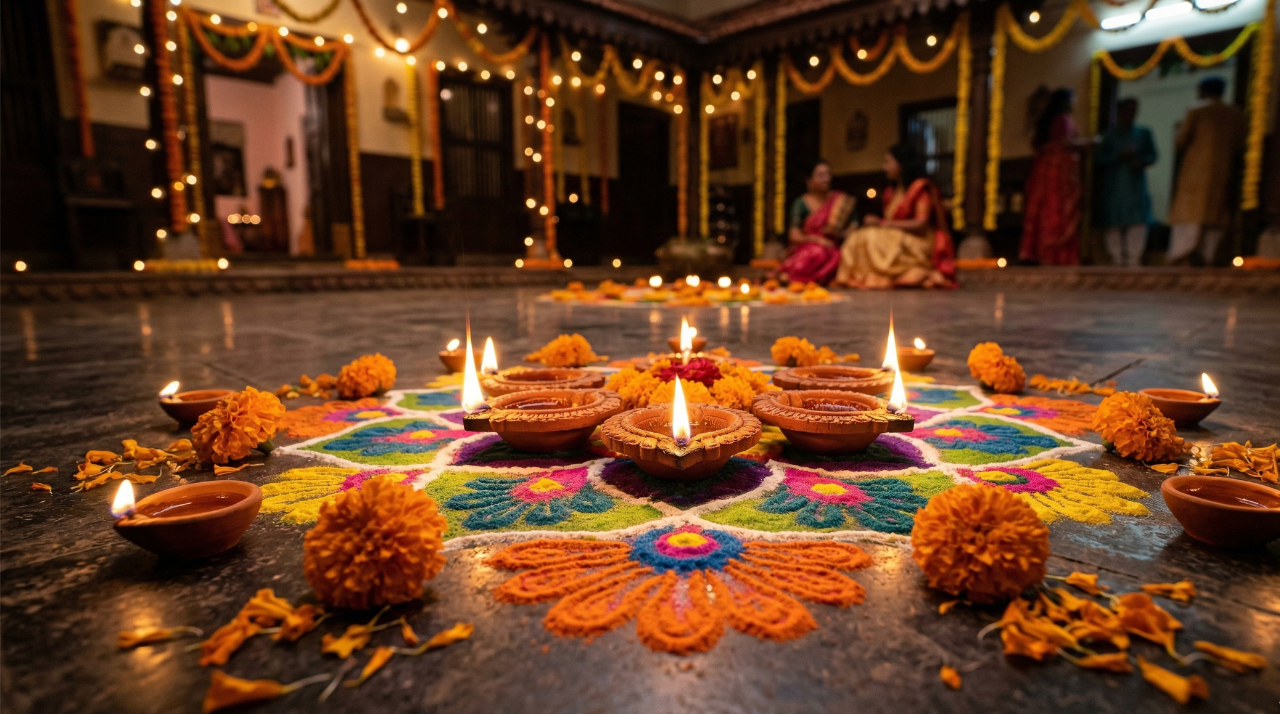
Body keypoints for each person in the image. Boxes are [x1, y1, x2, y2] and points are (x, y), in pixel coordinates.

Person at [834, 143, 955, 289]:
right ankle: (863, 277)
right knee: (859, 236)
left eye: (888, 162)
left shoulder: (920, 188)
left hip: (919, 240)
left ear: (902, 164)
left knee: (870, 237)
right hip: (896, 235)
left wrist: (882, 223)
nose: (885, 167)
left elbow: (921, 223)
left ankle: (884, 276)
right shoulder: (891, 191)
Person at [1167, 76, 1246, 265]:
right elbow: (1241, 145)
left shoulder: (1196, 110)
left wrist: (1177, 130)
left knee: (1188, 220)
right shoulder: (1236, 114)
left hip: (1194, 176)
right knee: (1213, 221)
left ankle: (1182, 260)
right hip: (1223, 176)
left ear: (1201, 91)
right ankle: (1208, 262)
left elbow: (1181, 140)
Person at [1020, 88, 1087, 265]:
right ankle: (1052, 254)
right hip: (1057, 176)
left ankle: (1044, 253)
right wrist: (1089, 143)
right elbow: (1065, 142)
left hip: (1047, 174)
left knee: (1047, 211)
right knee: (1055, 212)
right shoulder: (1063, 120)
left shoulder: (1050, 121)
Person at [1095, 98, 1157, 267]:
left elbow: (1152, 155)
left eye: (1134, 110)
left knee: (1138, 220)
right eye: (1128, 110)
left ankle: (1134, 258)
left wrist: (1142, 161)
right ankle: (1116, 257)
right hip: (1114, 185)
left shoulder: (1143, 133)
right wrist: (1118, 156)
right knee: (1113, 220)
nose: (1131, 114)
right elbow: (1098, 159)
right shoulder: (1109, 135)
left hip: (1135, 183)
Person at [773, 159, 854, 286]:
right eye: (820, 175)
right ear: (809, 180)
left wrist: (839, 233)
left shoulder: (840, 201)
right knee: (817, 252)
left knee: (841, 254)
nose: (826, 179)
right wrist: (818, 240)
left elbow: (853, 227)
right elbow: (794, 236)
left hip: (835, 248)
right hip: (809, 246)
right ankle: (796, 277)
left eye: (828, 174)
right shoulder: (801, 203)